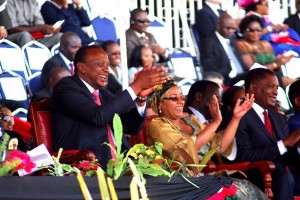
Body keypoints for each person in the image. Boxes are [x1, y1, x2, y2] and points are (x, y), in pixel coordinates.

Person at [146, 80, 268, 199]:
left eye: (182, 98)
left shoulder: (191, 120)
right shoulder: (157, 125)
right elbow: (184, 150)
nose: (180, 102)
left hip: (208, 177)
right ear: (159, 103)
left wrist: (236, 118)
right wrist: (215, 123)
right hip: (184, 182)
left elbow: (219, 146)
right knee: (239, 191)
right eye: (174, 98)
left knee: (246, 189)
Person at [51, 45, 169, 169]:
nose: (107, 70)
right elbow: (98, 116)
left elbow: (131, 127)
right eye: (101, 65)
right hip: (84, 165)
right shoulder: (66, 88)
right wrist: (136, 86)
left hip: (121, 165)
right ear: (82, 67)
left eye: (107, 65)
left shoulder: (104, 95)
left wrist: (140, 98)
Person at [235, 68, 300, 199]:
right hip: (258, 178)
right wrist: (284, 143)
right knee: (285, 177)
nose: (276, 92)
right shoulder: (238, 116)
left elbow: (289, 155)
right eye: (271, 87)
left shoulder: (278, 117)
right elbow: (244, 155)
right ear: (253, 87)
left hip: (287, 175)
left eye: (277, 87)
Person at [236, 14, 296, 88]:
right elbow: (251, 70)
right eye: (251, 30)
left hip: (275, 75)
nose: (255, 33)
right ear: (243, 30)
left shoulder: (265, 44)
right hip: (258, 79)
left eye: (258, 30)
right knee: (294, 84)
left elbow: (276, 62)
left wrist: (281, 60)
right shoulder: (241, 44)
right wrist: (275, 64)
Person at [201, 13, 246, 86]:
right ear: (218, 26)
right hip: (226, 80)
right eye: (227, 28)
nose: (230, 31)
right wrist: (229, 72)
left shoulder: (232, 40)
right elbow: (209, 67)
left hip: (242, 77)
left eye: (233, 28)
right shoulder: (209, 42)